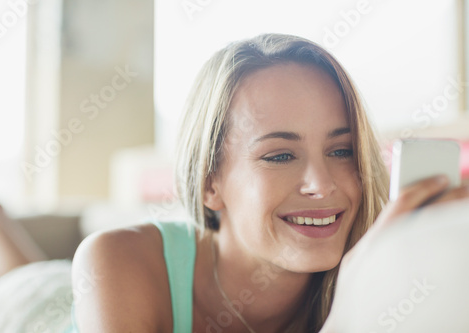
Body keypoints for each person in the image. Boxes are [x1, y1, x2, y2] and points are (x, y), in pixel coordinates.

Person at [70, 33, 469, 333]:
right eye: (280, 156)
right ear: (210, 182)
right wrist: (352, 299)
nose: (321, 185)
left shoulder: (390, 285)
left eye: (342, 151)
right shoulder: (116, 260)